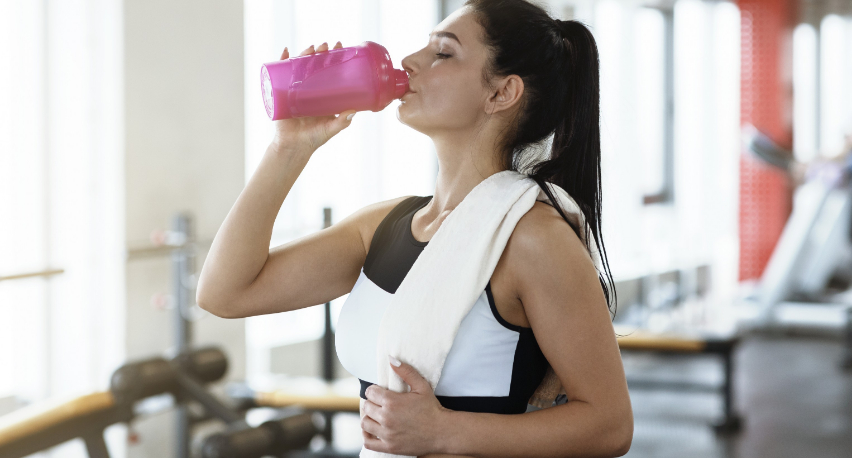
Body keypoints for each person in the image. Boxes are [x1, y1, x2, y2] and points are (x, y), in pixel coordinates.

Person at [196, 0, 633, 456]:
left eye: (443, 53)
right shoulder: (383, 226)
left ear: (501, 93)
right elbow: (225, 293)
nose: (408, 62)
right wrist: (289, 147)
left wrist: (445, 432)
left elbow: (609, 425)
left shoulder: (532, 239)